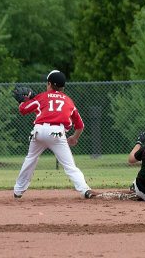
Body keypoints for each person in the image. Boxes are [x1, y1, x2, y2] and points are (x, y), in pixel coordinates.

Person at [13, 70, 95, 199]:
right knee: (69, 166)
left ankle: (18, 190)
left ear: (49, 84)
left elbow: (23, 109)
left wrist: (24, 101)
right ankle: (85, 190)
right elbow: (80, 125)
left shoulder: (41, 97)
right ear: (62, 86)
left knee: (30, 159)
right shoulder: (69, 101)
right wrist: (74, 137)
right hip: (56, 133)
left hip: (38, 131)